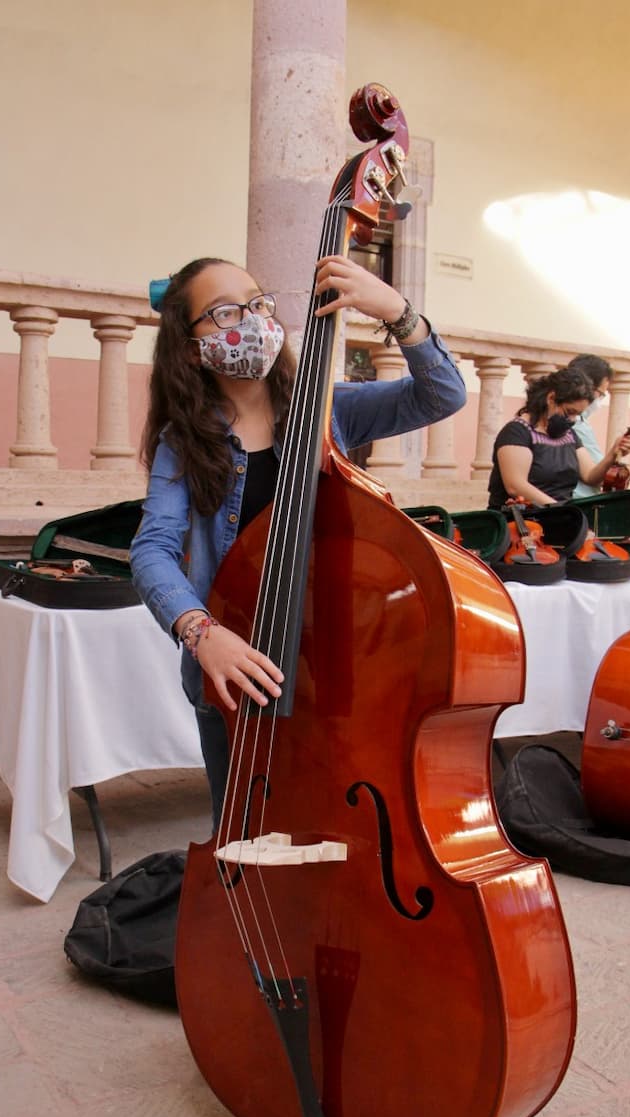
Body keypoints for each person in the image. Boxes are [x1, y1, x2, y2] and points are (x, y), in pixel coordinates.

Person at [130, 254, 467, 827]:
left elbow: (441, 396)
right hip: (236, 673)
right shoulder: (181, 441)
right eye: (224, 312)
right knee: (241, 829)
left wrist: (397, 312)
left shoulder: (328, 411)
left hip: (333, 662)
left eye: (258, 303)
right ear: (191, 348)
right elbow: (152, 549)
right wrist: (201, 632)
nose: (251, 319)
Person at [486, 366, 630, 511]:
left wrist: (613, 453)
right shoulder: (516, 432)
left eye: (577, 415)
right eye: (569, 411)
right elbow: (515, 486)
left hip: (560, 516)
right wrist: (562, 511)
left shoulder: (569, 435)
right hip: (522, 520)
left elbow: (590, 476)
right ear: (551, 398)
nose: (572, 419)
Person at [569, 353, 612, 499]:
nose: (599, 400)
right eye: (600, 393)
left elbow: (590, 474)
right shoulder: (575, 424)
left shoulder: (580, 423)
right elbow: (598, 473)